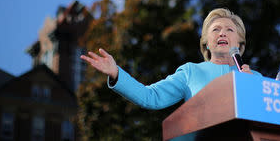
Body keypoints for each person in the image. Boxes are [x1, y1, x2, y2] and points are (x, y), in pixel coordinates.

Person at [80, 8, 261, 110]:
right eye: (215, 29)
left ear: (240, 42)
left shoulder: (256, 78)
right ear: (206, 43)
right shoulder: (191, 72)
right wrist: (116, 73)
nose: (222, 32)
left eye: (229, 30)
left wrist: (255, 88)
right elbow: (151, 97)